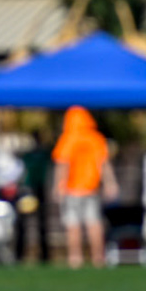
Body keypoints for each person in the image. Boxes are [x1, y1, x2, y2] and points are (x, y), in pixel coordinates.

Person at [52, 106, 116, 269]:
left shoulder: (68, 138)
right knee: (94, 223)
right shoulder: (96, 139)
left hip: (72, 190)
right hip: (91, 188)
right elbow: (104, 164)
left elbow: (63, 164)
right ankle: (98, 258)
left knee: (73, 225)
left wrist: (59, 186)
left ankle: (75, 259)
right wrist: (110, 184)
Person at [9, 127, 52, 265]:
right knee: (23, 224)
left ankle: (43, 255)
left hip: (35, 189)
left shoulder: (41, 154)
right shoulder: (31, 155)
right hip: (29, 189)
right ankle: (20, 255)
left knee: (39, 225)